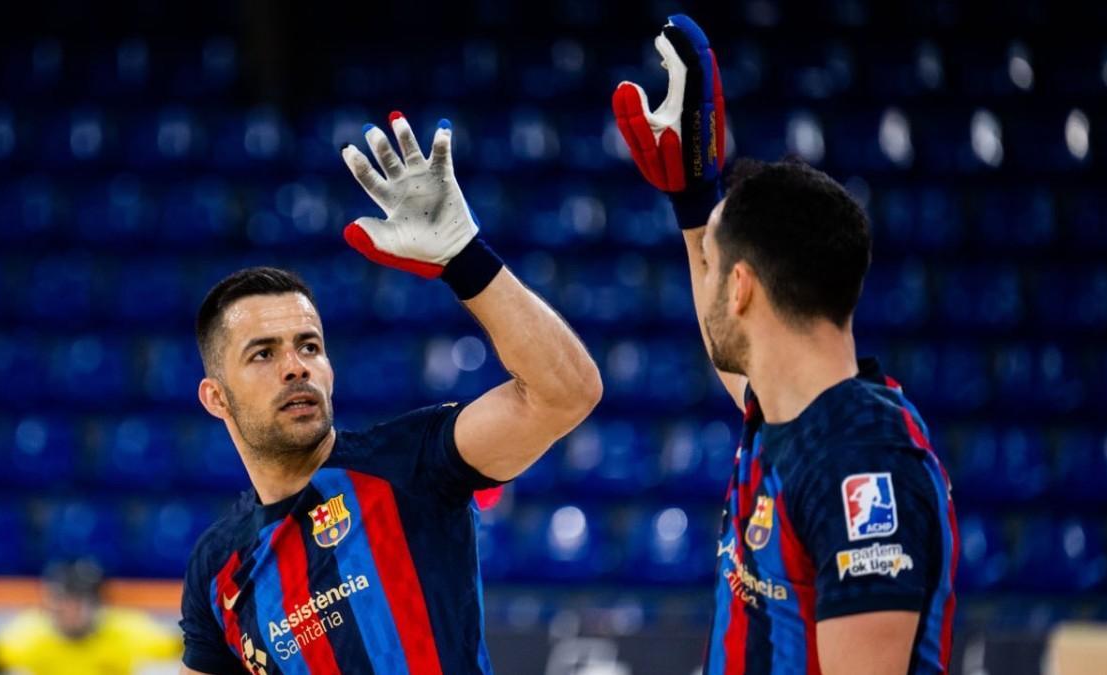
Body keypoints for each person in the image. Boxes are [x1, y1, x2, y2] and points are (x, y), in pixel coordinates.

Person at [178, 113, 602, 674]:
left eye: (309, 346)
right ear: (216, 398)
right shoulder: (217, 569)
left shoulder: (411, 460)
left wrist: (466, 257)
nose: (296, 368)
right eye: (263, 353)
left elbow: (566, 393)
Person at [613, 16, 958, 675]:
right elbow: (727, 337)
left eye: (710, 265)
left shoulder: (861, 462)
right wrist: (694, 202)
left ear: (740, 287)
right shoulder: (790, 412)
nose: (701, 275)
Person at [0, 559, 180, 675]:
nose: (69, 610)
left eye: (78, 602)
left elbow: (189, 649)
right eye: (62, 600)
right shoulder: (25, 636)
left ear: (97, 604)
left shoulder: (131, 631)